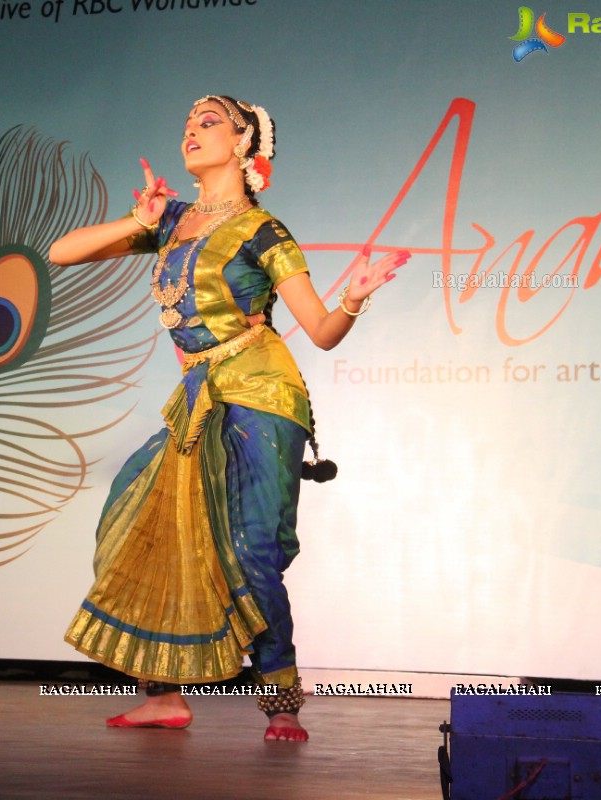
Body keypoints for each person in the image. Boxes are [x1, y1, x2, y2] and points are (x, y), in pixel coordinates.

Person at [53, 95, 409, 742]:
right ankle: (162, 695)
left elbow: (322, 332)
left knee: (251, 549)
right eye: (187, 124)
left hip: (263, 395)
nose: (192, 131)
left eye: (210, 122)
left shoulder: (265, 232)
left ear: (246, 143)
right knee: (136, 524)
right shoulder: (170, 219)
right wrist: (136, 219)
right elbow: (62, 252)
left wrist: (353, 298)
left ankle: (281, 700)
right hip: (197, 400)